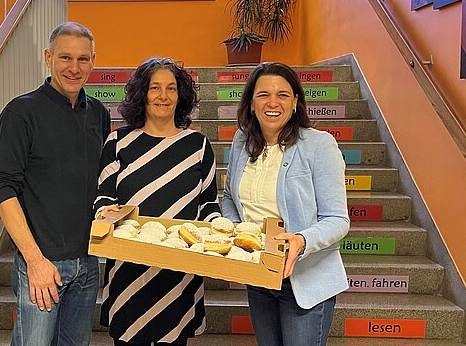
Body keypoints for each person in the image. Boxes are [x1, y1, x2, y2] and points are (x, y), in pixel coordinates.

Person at [0, 22, 111, 346]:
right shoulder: (21, 112)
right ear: (48, 57)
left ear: (93, 61)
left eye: (83, 59)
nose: (74, 68)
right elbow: (2, 188)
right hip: (40, 264)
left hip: (86, 264)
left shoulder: (98, 113)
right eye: (65, 58)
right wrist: (34, 260)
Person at [94, 57, 221, 345]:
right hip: (129, 271)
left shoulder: (198, 145)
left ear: (181, 95)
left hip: (180, 272)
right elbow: (103, 196)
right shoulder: (118, 142)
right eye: (155, 88)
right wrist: (105, 212)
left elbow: (209, 204)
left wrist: (219, 230)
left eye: (171, 88)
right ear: (142, 94)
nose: (163, 96)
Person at [221, 62, 350, 346]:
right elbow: (229, 196)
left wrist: (302, 241)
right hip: (259, 276)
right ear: (251, 104)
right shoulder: (242, 141)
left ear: (295, 102)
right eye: (263, 94)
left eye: (282, 94)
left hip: (306, 281)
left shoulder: (319, 145)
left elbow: (338, 219)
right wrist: (233, 229)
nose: (273, 102)